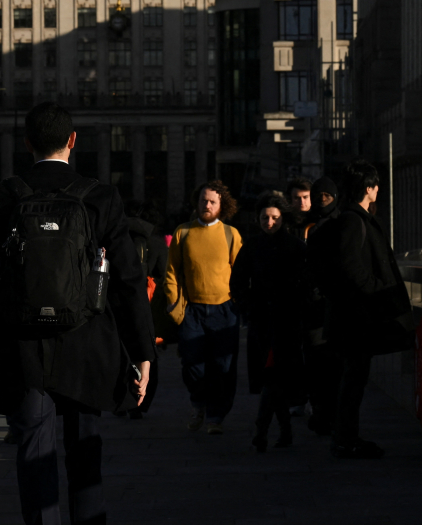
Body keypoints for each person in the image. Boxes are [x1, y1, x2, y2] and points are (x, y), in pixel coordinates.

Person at [0, 102, 154, 525]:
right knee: (83, 451)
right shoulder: (100, 197)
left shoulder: (3, 197)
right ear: (73, 142)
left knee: (34, 459)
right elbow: (128, 282)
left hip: (22, 352)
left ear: (27, 144)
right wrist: (142, 352)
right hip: (86, 347)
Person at [318, 160, 412, 459]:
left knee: (353, 380)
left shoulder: (354, 218)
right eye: (375, 185)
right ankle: (345, 440)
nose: (378, 190)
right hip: (355, 318)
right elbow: (350, 266)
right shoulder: (352, 220)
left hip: (354, 317)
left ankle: (346, 437)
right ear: (369, 188)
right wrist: (375, 291)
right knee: (353, 381)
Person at [165, 180, 243, 434]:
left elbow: (240, 273)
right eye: (203, 200)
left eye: (212, 201)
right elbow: (172, 272)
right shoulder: (183, 232)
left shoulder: (231, 234)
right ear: (196, 202)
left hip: (224, 311)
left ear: (222, 205)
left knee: (223, 367)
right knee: (192, 364)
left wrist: (238, 304)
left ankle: (215, 417)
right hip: (192, 311)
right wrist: (175, 306)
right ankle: (198, 403)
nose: (207, 205)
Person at [231, 195, 307, 452]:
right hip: (262, 322)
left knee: (275, 377)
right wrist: (249, 307)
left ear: (283, 218)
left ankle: (264, 431)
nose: (270, 222)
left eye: (275, 217)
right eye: (265, 217)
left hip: (287, 322)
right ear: (258, 219)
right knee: (273, 377)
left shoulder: (296, 247)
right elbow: (237, 283)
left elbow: (306, 283)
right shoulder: (252, 246)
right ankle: (279, 432)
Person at [123, 201, 168, 419]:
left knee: (122, 354)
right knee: (147, 354)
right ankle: (141, 401)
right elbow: (164, 276)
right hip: (146, 306)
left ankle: (122, 400)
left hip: (119, 305)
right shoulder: (157, 243)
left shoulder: (119, 238)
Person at [304, 175, 342, 434]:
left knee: (335, 366)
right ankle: (320, 412)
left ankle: (332, 414)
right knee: (316, 365)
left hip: (338, 308)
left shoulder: (342, 224)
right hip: (314, 310)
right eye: (318, 197)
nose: (321, 202)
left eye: (326, 197)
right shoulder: (307, 226)